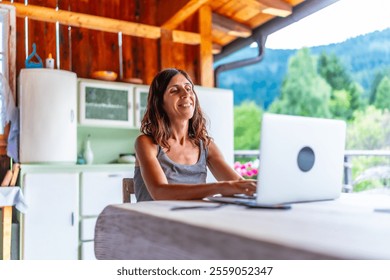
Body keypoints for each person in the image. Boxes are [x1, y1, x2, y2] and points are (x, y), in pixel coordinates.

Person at [133, 68, 256, 201]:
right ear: (160, 103)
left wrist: (255, 187)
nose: (186, 94)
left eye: (189, 88)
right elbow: (160, 192)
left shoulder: (206, 145)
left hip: (192, 218)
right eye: (174, 90)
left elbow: (238, 183)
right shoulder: (146, 143)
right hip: (153, 220)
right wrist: (219, 187)